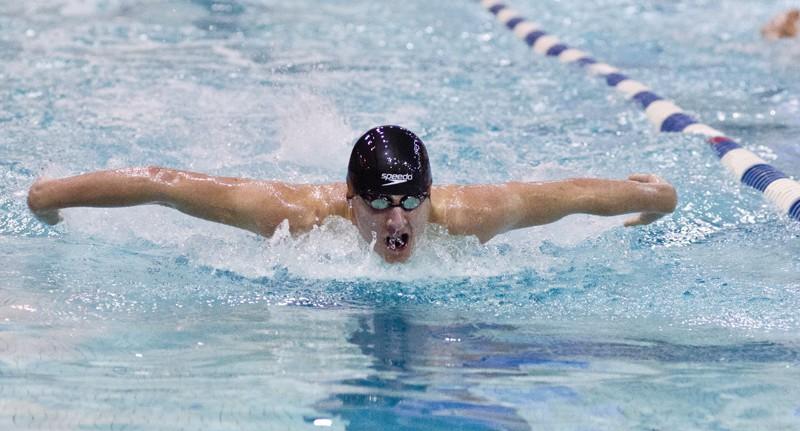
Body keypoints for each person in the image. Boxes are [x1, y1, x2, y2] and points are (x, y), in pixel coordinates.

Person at [27, 125, 677, 263]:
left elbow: (570, 195)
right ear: (348, 199)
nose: (399, 222)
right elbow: (160, 186)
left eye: (412, 202)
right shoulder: (294, 218)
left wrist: (654, 198)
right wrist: (47, 197)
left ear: (431, 193)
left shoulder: (468, 216)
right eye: (379, 204)